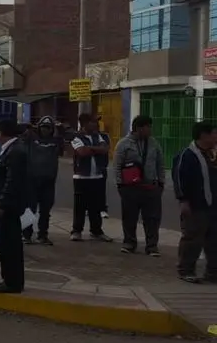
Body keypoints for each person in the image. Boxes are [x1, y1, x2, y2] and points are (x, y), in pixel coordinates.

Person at [114, 115, 165, 256]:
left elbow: (160, 164)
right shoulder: (124, 144)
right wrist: (120, 185)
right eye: (148, 127)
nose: (150, 130)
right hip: (130, 188)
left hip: (151, 187)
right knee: (129, 217)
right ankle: (129, 243)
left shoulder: (154, 143)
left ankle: (152, 246)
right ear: (139, 128)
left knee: (152, 219)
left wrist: (161, 183)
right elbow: (117, 166)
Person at [173, 121, 217, 283]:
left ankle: (213, 273)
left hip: (214, 206)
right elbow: (179, 178)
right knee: (193, 239)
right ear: (204, 135)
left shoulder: (212, 155)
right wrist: (183, 200)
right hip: (196, 205)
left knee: (213, 241)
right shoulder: (187, 155)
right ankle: (186, 270)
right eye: (214, 133)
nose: (216, 137)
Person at [0, 119, 27, 294]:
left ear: (1, 132)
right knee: (6, 244)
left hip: (9, 207)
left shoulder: (15, 151)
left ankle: (12, 282)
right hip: (8, 205)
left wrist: (1, 204)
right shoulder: (12, 149)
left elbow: (12, 182)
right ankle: (9, 279)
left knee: (9, 245)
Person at [71, 113, 114, 242]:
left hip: (97, 176)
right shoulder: (76, 137)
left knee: (96, 206)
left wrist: (90, 149)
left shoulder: (99, 136)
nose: (95, 124)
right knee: (80, 206)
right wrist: (96, 149)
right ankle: (76, 231)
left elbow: (105, 149)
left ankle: (96, 231)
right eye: (92, 122)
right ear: (84, 124)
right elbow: (82, 152)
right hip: (81, 177)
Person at [23, 116, 62, 245]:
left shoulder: (56, 141)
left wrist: (60, 128)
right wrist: (30, 128)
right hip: (31, 180)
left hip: (48, 181)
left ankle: (42, 235)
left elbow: (71, 135)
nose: (45, 130)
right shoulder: (31, 138)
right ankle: (26, 235)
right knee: (30, 209)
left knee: (45, 210)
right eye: (43, 127)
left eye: (48, 128)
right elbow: (20, 131)